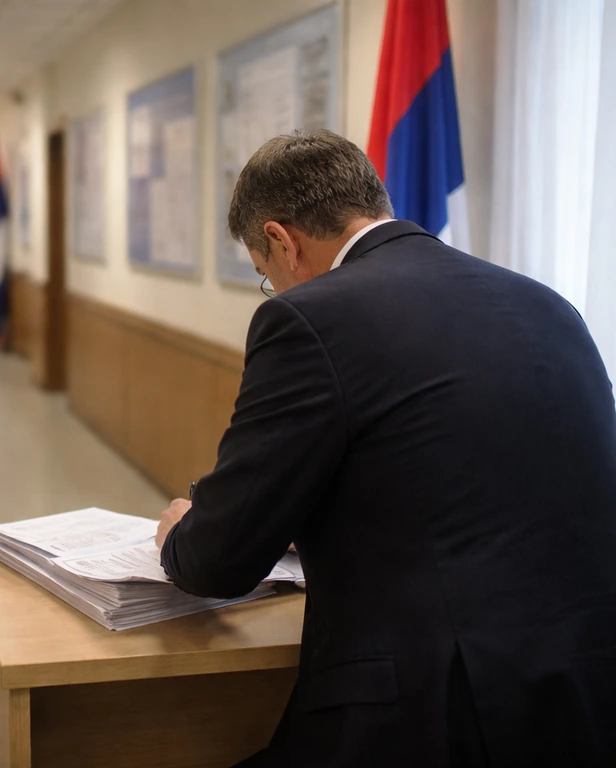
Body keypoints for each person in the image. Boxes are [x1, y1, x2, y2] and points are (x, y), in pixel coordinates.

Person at [155, 130, 616, 767]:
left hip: (434, 716)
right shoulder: (546, 304)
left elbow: (218, 563)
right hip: (582, 699)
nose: (275, 293)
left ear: (282, 241)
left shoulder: (309, 318)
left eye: (266, 276)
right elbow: (468, 482)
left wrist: (182, 532)